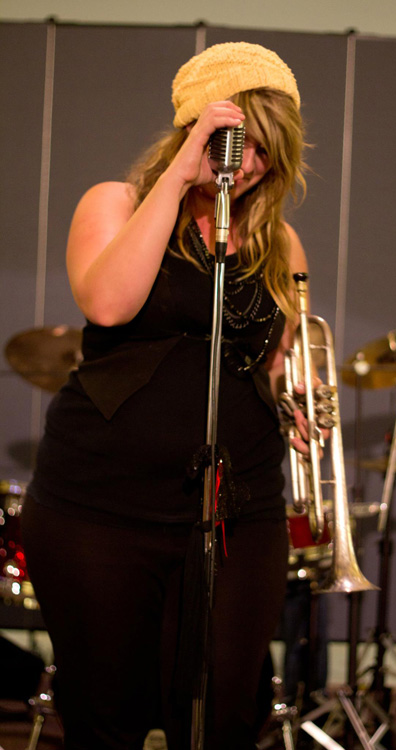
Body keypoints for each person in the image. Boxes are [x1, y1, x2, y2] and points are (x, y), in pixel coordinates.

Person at [21, 41, 315, 750]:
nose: (250, 165)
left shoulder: (280, 243)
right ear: (193, 129)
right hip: (101, 507)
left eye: (266, 150)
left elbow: (272, 365)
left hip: (237, 509)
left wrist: (295, 401)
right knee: (107, 719)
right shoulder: (116, 203)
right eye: (238, 142)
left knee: (224, 716)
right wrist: (181, 176)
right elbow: (109, 303)